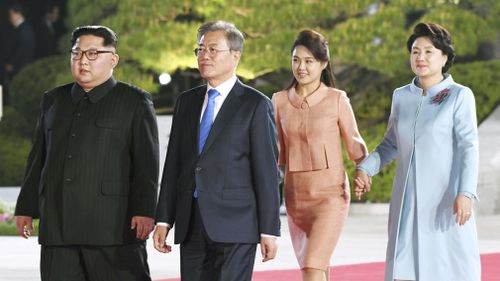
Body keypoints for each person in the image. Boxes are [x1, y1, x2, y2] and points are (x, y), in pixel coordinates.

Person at [14, 25, 159, 281]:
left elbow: (147, 163)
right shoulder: (53, 100)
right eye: (77, 53)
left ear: (112, 59)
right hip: (58, 227)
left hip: (112, 227)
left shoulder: (134, 101)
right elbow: (38, 158)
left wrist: (145, 209)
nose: (83, 60)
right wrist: (26, 207)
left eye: (93, 53)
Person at [153, 20, 281, 281]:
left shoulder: (255, 105)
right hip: (191, 223)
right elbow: (174, 165)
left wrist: (269, 229)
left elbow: (266, 172)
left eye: (213, 49)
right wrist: (164, 219)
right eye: (200, 49)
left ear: (235, 56)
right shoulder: (186, 102)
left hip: (237, 224)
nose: (204, 56)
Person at [355, 22, 481, 281]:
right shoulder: (401, 96)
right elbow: (390, 144)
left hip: (444, 201)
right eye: (415, 51)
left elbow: (469, 147)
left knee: (446, 268)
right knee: (404, 267)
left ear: (444, 57)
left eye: (428, 51)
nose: (420, 57)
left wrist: (465, 193)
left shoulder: (459, 96)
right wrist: (366, 168)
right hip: (407, 202)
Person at [272, 30, 368, 281]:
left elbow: (355, 144)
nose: (301, 67)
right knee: (317, 266)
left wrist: (363, 170)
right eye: (296, 60)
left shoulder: (337, 100)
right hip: (295, 199)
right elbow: (276, 156)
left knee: (312, 267)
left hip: (331, 197)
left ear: (323, 64)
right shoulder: (279, 101)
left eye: (309, 61)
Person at [4, 2, 35, 78]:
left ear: (17, 14)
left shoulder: (24, 29)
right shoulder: (22, 28)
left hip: (21, 69)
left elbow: (24, 48)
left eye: (11, 15)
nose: (10, 18)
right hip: (20, 68)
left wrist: (13, 64)